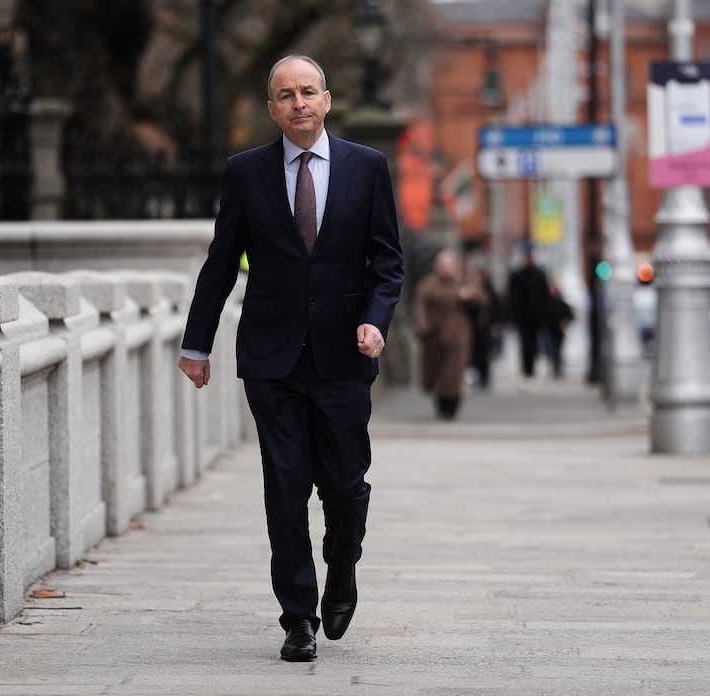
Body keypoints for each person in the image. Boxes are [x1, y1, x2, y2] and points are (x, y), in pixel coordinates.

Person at [177, 55, 403, 663]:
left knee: (346, 487)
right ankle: (297, 615)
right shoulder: (246, 173)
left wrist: (375, 322)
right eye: (286, 95)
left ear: (328, 100)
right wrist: (196, 344)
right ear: (271, 109)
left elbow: (388, 261)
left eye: (308, 92)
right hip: (272, 358)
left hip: (344, 357)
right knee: (283, 487)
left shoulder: (368, 167)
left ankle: (343, 570)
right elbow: (221, 262)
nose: (299, 103)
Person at [414, 250, 487, 419]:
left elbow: (483, 301)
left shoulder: (464, 282)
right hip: (434, 333)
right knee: (435, 370)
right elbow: (420, 306)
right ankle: (440, 400)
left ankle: (452, 404)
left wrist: (470, 296)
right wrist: (423, 326)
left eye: (448, 265)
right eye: (441, 265)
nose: (444, 268)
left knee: (453, 372)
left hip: (458, 333)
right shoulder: (428, 284)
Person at [507, 247, 551, 380]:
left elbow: (545, 296)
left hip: (536, 315)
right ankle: (526, 368)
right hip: (523, 315)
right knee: (525, 342)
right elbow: (511, 295)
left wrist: (544, 314)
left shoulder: (540, 274)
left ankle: (531, 367)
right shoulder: (518, 275)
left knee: (533, 342)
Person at [468, 266, 500, 391]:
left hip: (486, 327)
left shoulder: (489, 290)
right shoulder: (473, 289)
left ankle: (485, 377)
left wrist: (496, 324)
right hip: (475, 327)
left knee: (485, 353)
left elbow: (495, 308)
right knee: (474, 354)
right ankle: (477, 377)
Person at [545, 280, 574, 378]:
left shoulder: (562, 304)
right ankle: (555, 368)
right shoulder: (547, 303)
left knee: (557, 350)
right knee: (552, 350)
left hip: (559, 331)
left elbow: (570, 315)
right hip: (550, 331)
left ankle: (557, 369)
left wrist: (565, 323)